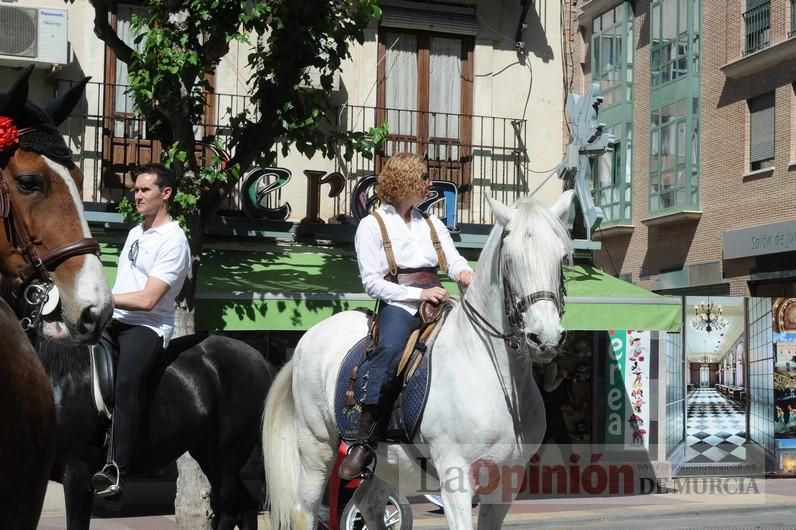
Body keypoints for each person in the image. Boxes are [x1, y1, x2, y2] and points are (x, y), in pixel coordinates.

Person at [338, 152, 474, 480]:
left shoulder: (431, 222)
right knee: (389, 351)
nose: (430, 183)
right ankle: (364, 441)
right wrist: (418, 294)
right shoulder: (371, 226)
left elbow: (452, 260)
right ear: (406, 180)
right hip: (399, 303)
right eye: (424, 177)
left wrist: (465, 273)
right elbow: (372, 284)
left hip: (439, 298)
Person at [92, 163, 191, 497]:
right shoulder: (137, 232)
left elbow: (149, 299)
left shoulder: (174, 241)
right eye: (136, 189)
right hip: (115, 320)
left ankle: (117, 468)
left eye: (145, 189)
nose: (137, 195)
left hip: (147, 327)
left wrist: (104, 299)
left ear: (166, 194)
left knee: (126, 381)